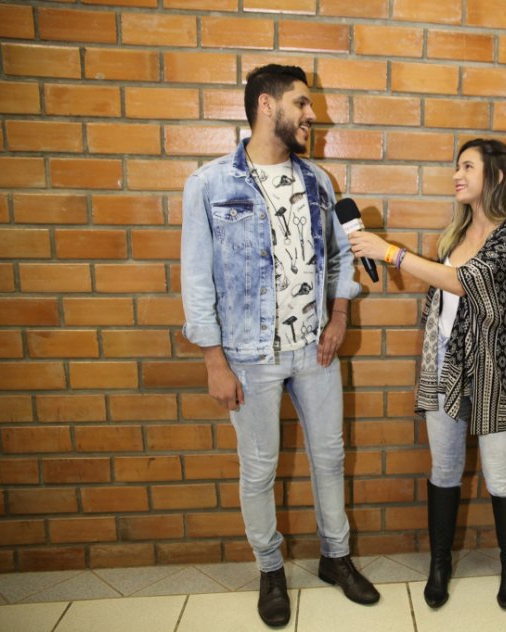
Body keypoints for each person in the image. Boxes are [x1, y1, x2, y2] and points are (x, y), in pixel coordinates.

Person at [180, 64, 379, 628]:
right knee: (259, 470)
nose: (312, 114)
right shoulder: (210, 184)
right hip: (249, 355)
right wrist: (213, 360)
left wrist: (339, 314)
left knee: (330, 458)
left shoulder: (318, 181)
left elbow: (339, 257)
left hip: (315, 352)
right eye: (302, 103)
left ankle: (335, 558)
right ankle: (270, 569)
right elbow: (197, 279)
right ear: (266, 106)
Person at [348, 139, 506, 610]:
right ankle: (439, 564)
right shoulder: (454, 235)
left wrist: (390, 254)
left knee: (500, 475)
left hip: (495, 371)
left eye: (468, 166)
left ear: (496, 176)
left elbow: (462, 282)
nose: (457, 174)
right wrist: (428, 364)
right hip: (444, 366)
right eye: (457, 166)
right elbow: (439, 303)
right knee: (445, 470)